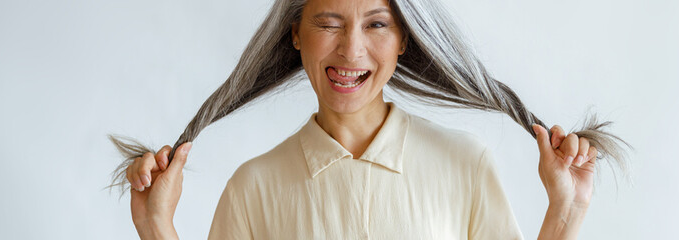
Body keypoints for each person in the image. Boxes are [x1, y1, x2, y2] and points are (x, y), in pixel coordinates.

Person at [109, 0, 630, 239]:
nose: (351, 49)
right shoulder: (253, 188)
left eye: (377, 24)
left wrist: (567, 212)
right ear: (295, 34)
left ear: (405, 37)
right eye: (328, 22)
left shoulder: (466, 165)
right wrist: (155, 226)